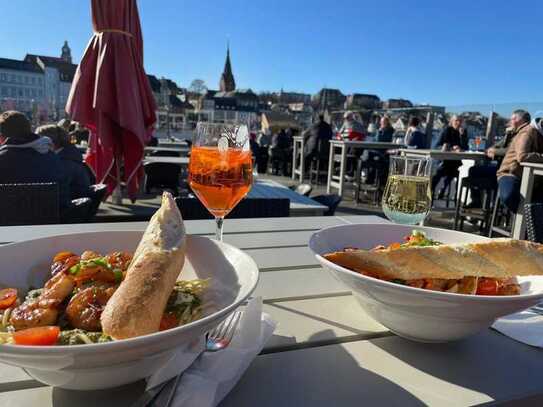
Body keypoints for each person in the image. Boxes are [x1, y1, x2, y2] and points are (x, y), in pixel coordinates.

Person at [0, 111, 70, 209]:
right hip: (52, 219)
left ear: (2, 137)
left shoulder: (3, 159)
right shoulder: (51, 156)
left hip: (10, 221)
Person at [496, 110, 543, 212]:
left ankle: (530, 222)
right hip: (511, 173)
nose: (510, 122)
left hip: (533, 179)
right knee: (509, 196)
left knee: (537, 204)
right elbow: (522, 156)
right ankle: (524, 219)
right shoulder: (528, 131)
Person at [36, 124, 92, 200]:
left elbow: (56, 190)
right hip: (76, 203)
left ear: (49, 142)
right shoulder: (69, 154)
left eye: (38, 141)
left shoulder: (64, 162)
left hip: (70, 206)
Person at [465, 125, 517, 208]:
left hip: (505, 171)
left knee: (473, 171)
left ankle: (483, 203)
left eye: (512, 120)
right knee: (473, 170)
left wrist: (495, 152)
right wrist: (492, 150)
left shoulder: (519, 136)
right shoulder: (510, 134)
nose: (509, 124)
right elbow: (495, 146)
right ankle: (477, 201)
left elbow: (510, 151)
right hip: (500, 168)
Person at [431, 115, 469, 199]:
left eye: (460, 121)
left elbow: (466, 147)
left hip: (455, 162)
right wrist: (449, 148)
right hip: (444, 161)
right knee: (439, 172)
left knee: (459, 171)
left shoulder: (463, 132)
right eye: (456, 121)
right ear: (451, 122)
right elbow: (436, 146)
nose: (458, 123)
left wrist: (462, 136)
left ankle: (453, 196)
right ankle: (431, 191)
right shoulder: (447, 130)